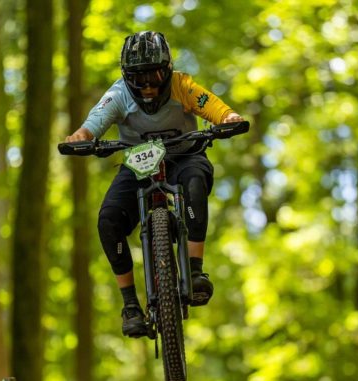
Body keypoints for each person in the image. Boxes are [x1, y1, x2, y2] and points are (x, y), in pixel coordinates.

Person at [66, 30, 244, 338]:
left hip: (185, 157)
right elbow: (94, 122)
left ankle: (195, 270)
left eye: (155, 76)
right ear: (127, 77)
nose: (147, 86)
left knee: (195, 182)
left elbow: (212, 105)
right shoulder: (118, 95)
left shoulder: (182, 86)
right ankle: (130, 306)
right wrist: (81, 137)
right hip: (138, 166)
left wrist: (228, 118)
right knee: (108, 219)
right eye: (139, 78)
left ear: (168, 70)